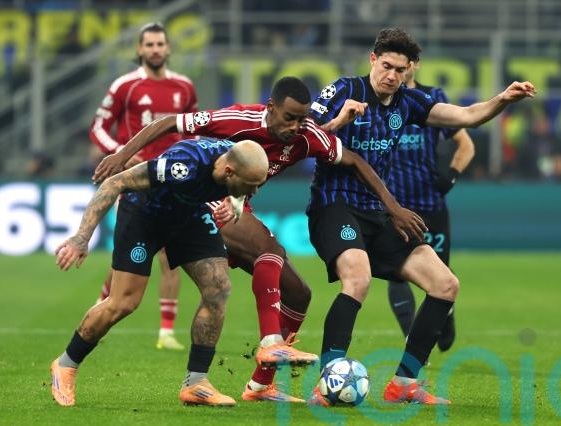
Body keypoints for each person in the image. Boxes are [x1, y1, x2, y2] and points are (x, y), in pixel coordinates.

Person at [93, 76, 425, 403]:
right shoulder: (238, 119)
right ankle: (270, 342)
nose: (296, 126)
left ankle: (260, 386)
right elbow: (169, 122)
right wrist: (122, 155)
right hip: (206, 202)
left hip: (240, 205)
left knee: (299, 293)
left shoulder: (305, 134)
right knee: (270, 249)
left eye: (301, 119)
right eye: (289, 117)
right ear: (270, 107)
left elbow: (353, 160)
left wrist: (392, 207)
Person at [307, 28, 535, 405]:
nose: (391, 75)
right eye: (386, 66)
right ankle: (327, 382)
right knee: (358, 278)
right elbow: (302, 136)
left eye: (400, 69)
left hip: (379, 212)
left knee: (446, 285)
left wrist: (503, 99)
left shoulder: (409, 102)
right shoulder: (344, 89)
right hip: (335, 206)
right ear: (372, 60)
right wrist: (338, 124)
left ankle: (404, 384)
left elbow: (467, 116)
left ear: (411, 68)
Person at [50, 139, 268, 408]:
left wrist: (236, 200)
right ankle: (66, 364)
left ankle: (196, 382)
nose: (255, 190)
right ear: (229, 172)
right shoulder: (183, 165)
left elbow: (242, 185)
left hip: (188, 217)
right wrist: (82, 238)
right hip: (144, 216)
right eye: (251, 185)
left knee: (218, 288)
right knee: (123, 303)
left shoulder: (239, 160)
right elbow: (113, 183)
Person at [89, 22, 198, 350]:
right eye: (149, 44)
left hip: (175, 180)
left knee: (169, 254)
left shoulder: (184, 86)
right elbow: (98, 127)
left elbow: (193, 131)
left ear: (168, 48)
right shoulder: (126, 86)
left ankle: (166, 332)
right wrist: (120, 154)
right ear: (139, 49)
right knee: (127, 255)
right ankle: (100, 309)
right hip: (135, 180)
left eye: (160, 44)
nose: (155, 49)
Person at [386, 58, 475, 351]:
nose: (399, 71)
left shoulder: (433, 98)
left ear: (415, 65)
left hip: (431, 205)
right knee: (395, 271)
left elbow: (466, 144)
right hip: (395, 207)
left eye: (404, 64)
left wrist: (451, 176)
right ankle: (411, 336)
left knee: (440, 275)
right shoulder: (379, 100)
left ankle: (446, 315)